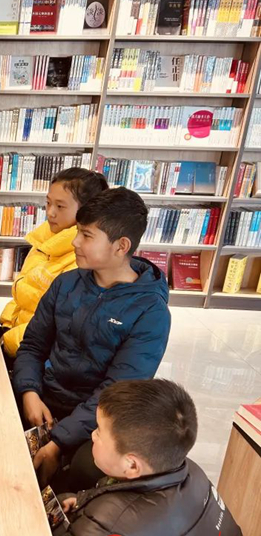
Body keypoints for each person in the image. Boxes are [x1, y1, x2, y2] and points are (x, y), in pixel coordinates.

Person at [12, 187, 171, 489]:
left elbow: (116, 392)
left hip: (97, 420)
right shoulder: (66, 283)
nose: (74, 242)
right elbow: (33, 345)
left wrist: (60, 440)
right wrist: (29, 391)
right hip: (46, 396)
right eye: (78, 232)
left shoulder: (151, 312)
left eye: (86, 235)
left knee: (87, 467)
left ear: (121, 246)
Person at [57, 379, 250, 536]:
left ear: (132, 465)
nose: (93, 435)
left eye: (99, 431)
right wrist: (82, 502)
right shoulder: (190, 471)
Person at [0, 168, 109, 358]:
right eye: (48, 203)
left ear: (86, 211)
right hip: (15, 334)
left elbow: (54, 327)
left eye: (60, 206)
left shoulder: (82, 259)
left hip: (33, 351)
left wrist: (6, 341)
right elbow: (23, 294)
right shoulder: (43, 239)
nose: (50, 212)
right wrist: (6, 325)